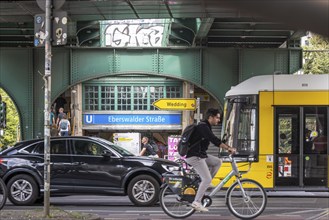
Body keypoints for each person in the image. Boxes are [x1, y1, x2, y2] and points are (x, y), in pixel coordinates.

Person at [185, 108, 236, 212]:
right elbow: (214, 140)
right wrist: (228, 148)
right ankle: (197, 202)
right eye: (217, 118)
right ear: (210, 117)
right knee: (206, 179)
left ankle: (205, 183)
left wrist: (227, 146)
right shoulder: (203, 126)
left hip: (201, 155)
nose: (218, 120)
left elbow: (214, 140)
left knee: (217, 162)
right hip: (195, 156)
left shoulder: (206, 126)